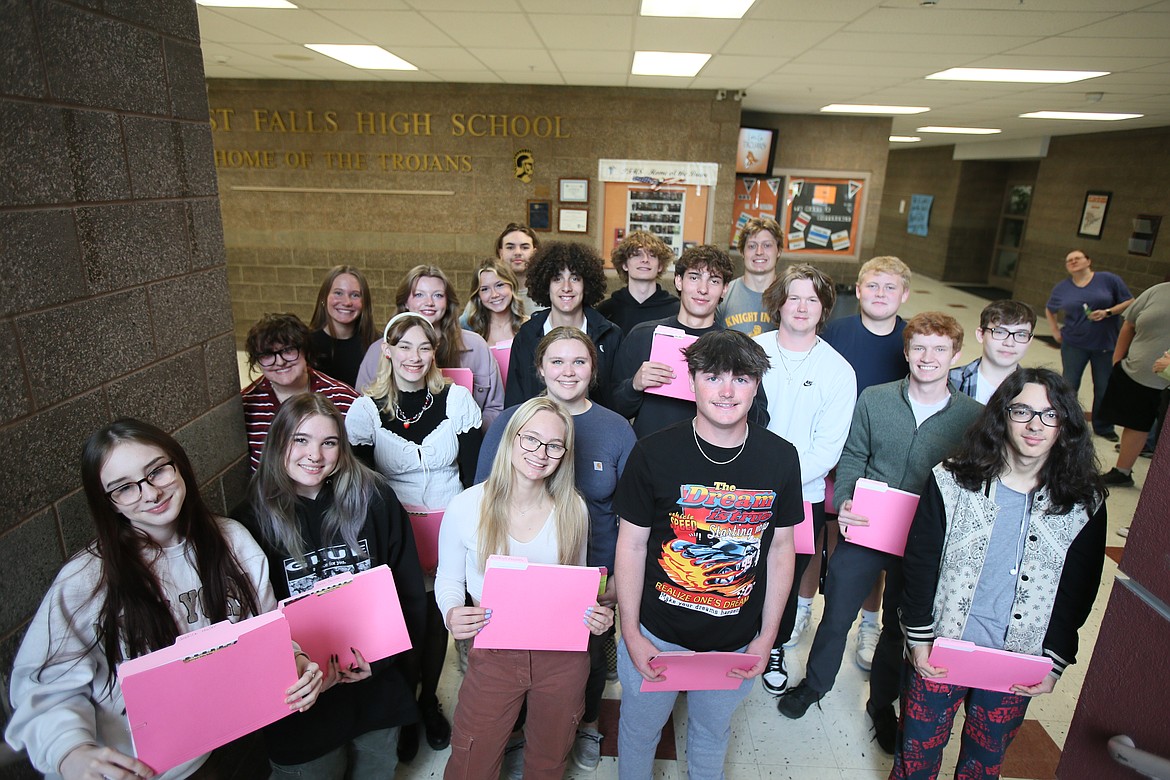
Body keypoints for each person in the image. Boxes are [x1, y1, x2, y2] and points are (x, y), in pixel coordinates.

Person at [5, 419, 322, 780]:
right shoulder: (85, 582)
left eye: (156, 471)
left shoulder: (233, 540)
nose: (150, 493)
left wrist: (294, 661)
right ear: (108, 503)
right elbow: (46, 690)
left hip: (222, 747)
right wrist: (70, 752)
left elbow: (265, 632)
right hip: (136, 772)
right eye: (124, 488)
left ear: (179, 465)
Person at [776, 313, 982, 759]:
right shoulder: (875, 398)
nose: (928, 358)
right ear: (906, 352)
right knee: (837, 614)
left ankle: (881, 703)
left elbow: (974, 480)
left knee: (899, 626)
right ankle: (813, 686)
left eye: (939, 349)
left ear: (956, 356)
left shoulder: (972, 417)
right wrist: (846, 499)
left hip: (924, 541)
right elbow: (853, 454)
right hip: (867, 527)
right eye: (919, 348)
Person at [893, 368, 1106, 779]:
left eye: (1050, 414)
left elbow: (1080, 590)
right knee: (914, 759)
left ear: (1065, 425)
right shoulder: (952, 480)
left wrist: (1055, 661)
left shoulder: (1083, 502)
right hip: (942, 647)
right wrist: (918, 639)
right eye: (1022, 410)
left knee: (984, 766)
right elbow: (919, 564)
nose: (1034, 425)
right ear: (1002, 416)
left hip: (1017, 660)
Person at [613, 330, 802, 779]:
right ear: (692, 379)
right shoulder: (654, 452)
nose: (725, 390)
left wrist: (766, 637)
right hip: (656, 633)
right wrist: (632, 633)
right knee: (639, 734)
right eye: (713, 376)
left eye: (740, 378)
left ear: (757, 385)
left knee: (710, 735)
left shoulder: (780, 458)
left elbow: (780, 549)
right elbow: (632, 544)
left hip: (734, 639)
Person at [238, 393, 427, 778]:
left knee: (375, 769)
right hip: (303, 697)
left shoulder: (374, 497)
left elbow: (407, 588)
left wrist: (385, 660)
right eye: (301, 440)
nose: (315, 455)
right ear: (278, 443)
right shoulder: (249, 520)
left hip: (374, 682)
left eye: (329, 442)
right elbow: (249, 625)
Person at [474, 328, 636, 771]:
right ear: (540, 368)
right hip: (520, 569)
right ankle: (518, 727)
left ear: (593, 370)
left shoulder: (615, 428)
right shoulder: (510, 421)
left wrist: (622, 577)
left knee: (586, 655)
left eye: (579, 362)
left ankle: (582, 724)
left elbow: (636, 514)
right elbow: (482, 497)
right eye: (558, 361)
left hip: (594, 568)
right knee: (518, 658)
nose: (568, 371)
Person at [436, 398, 615, 779]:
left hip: (562, 658)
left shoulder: (572, 509)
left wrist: (596, 615)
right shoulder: (467, 506)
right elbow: (449, 579)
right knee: (472, 757)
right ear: (511, 438)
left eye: (554, 445)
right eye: (531, 439)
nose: (541, 453)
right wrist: (452, 611)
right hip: (494, 652)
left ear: (564, 454)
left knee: (549, 759)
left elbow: (577, 584)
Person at [345, 312, 481, 762]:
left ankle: (429, 703)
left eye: (424, 347)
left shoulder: (456, 400)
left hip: (449, 524)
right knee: (404, 621)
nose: (415, 356)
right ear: (388, 351)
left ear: (434, 352)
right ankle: (406, 709)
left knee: (438, 616)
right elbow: (361, 486)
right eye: (404, 346)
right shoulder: (365, 410)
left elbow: (474, 473)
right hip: (396, 530)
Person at [753, 264, 857, 695]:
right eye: (793, 297)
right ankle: (731, 644)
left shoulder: (838, 370)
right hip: (742, 488)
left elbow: (827, 450)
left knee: (784, 578)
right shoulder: (750, 350)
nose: (801, 307)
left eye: (811, 299)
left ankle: (772, 647)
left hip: (803, 496)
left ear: (824, 308)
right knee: (734, 570)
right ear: (778, 301)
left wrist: (776, 480)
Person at [814, 255, 913, 669]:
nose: (880, 294)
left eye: (890, 288)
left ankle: (869, 622)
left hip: (883, 459)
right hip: (834, 450)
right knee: (825, 535)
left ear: (904, 295)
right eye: (873, 286)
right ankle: (807, 609)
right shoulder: (835, 332)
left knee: (874, 544)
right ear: (857, 290)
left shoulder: (911, 340)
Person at [611, 244, 771, 438]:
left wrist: (740, 391)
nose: (702, 289)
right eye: (694, 277)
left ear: (724, 289)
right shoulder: (644, 335)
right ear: (679, 281)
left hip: (711, 459)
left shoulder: (738, 348)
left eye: (713, 281)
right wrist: (635, 385)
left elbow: (760, 420)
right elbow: (613, 409)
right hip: (651, 457)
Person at [355, 266, 503, 429]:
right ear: (405, 301)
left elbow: (494, 407)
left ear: (448, 302)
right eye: (419, 294)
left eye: (438, 295)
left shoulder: (476, 347)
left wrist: (468, 435)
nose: (429, 303)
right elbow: (363, 408)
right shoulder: (377, 351)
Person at [505, 242, 622, 409]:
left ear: (586, 284)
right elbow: (514, 402)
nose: (566, 287)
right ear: (546, 284)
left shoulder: (610, 335)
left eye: (575, 278)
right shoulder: (527, 335)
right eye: (557, 279)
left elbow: (618, 403)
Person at [241, 313, 358, 471]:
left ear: (304, 351)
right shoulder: (246, 405)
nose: (280, 362)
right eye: (268, 355)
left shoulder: (343, 399)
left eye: (288, 350)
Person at [1045, 249, 1134, 441]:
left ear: (1088, 261)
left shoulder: (1108, 280)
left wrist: (1108, 312)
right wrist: (1054, 330)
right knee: (1070, 383)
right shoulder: (1062, 288)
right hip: (1074, 342)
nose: (1073, 262)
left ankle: (1103, 426)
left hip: (1105, 343)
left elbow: (1129, 301)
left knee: (1103, 385)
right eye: (1069, 260)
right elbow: (1050, 309)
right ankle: (1067, 423)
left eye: (1078, 258)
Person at [1099, 281, 1170, 487]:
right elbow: (1129, 323)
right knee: (1135, 424)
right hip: (1138, 375)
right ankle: (1122, 472)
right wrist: (1117, 360)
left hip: (1166, 383)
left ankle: (1160, 488)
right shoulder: (1157, 290)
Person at [949, 300, 1036, 403]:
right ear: (981, 335)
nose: (1009, 343)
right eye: (1000, 332)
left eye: (1021, 335)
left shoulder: (1036, 389)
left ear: (1030, 340)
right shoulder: (950, 382)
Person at [596, 230, 679, 335]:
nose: (645, 260)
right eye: (637, 254)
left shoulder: (676, 310)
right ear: (624, 264)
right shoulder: (606, 310)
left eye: (652, 255)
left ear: (660, 266)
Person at [308, 265, 376, 388]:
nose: (347, 302)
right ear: (324, 298)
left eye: (355, 295)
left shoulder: (377, 345)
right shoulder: (307, 344)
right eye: (338, 293)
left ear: (364, 302)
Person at [717, 216, 781, 336]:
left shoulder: (790, 296)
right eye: (752, 246)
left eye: (767, 245)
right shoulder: (723, 294)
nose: (759, 252)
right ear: (742, 251)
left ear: (779, 251)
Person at [462, 259, 528, 347]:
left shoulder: (531, 326)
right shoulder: (470, 331)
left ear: (512, 286)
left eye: (499, 285)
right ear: (478, 295)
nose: (494, 295)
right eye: (485, 289)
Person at [496, 223, 540, 314]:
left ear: (534, 253)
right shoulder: (490, 292)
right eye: (510, 247)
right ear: (501, 253)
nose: (517, 252)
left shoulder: (548, 292)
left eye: (524, 247)